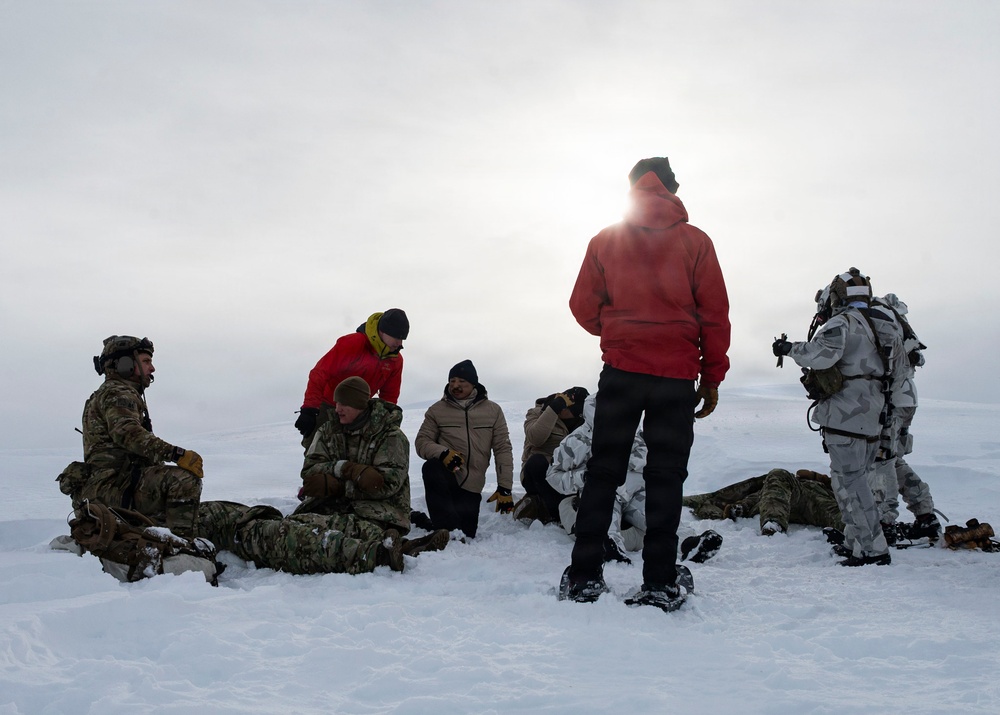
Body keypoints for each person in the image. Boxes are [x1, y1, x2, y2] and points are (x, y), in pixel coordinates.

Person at [558, 156, 731, 612]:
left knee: (603, 473)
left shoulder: (606, 240)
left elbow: (581, 306)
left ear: (632, 188)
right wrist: (711, 376)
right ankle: (658, 581)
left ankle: (584, 577)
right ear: (671, 189)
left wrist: (620, 333)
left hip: (622, 372)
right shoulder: (696, 242)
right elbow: (714, 315)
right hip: (675, 377)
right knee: (665, 477)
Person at [200, 377, 447, 575]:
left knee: (296, 537)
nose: (337, 408)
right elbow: (311, 471)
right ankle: (400, 548)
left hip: (377, 514)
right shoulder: (329, 430)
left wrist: (340, 486)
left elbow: (386, 484)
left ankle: (384, 549)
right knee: (293, 529)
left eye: (344, 404)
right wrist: (346, 470)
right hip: (329, 507)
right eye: (337, 402)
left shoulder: (390, 437)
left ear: (360, 406)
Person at [772, 268, 898, 566]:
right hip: (874, 413)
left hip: (846, 414)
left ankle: (872, 549)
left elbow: (819, 355)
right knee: (856, 481)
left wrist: (789, 349)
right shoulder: (884, 324)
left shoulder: (841, 323)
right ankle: (857, 542)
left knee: (851, 484)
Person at [545, 393, 723, 564]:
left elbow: (646, 455)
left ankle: (689, 544)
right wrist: (584, 477)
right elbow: (553, 475)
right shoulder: (576, 442)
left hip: (635, 488)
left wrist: (627, 462)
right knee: (605, 511)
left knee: (658, 513)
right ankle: (611, 547)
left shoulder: (632, 433)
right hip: (602, 490)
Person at [68, 335, 205, 539]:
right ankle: (182, 548)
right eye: (146, 361)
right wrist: (177, 454)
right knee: (183, 480)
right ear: (125, 364)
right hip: (113, 486)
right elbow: (128, 434)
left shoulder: (110, 393)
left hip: (110, 487)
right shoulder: (117, 393)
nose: (152, 368)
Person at [412, 360, 515, 539]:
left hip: (472, 486)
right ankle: (446, 534)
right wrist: (442, 453)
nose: (456, 386)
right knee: (431, 467)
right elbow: (422, 442)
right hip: (447, 479)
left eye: (462, 382)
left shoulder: (493, 411)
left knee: (467, 533)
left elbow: (502, 448)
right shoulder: (437, 410)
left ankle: (423, 521)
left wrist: (505, 487)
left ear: (473, 384)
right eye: (452, 381)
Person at [870, 294, 940, 544]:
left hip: (892, 400)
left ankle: (884, 523)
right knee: (893, 459)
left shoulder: (877, 319)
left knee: (882, 460)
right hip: (906, 399)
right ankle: (925, 516)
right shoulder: (896, 323)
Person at [294, 308, 409, 444]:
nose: (400, 344)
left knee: (353, 457)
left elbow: (389, 395)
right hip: (328, 407)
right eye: (396, 337)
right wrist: (310, 409)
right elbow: (320, 373)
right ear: (382, 331)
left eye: (402, 339)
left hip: (359, 412)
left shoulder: (395, 360)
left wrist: (385, 419)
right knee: (317, 453)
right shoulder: (352, 343)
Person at [683, 468, 845, 535]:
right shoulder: (789, 484)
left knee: (849, 522)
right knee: (777, 477)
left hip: (823, 500)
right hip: (796, 497)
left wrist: (822, 480)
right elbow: (763, 494)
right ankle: (772, 523)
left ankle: (862, 537)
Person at [511, 386, 589, 524]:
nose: (564, 410)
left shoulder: (584, 424)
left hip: (567, 474)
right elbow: (535, 437)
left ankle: (538, 505)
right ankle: (555, 514)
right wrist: (553, 410)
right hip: (538, 472)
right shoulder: (536, 413)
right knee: (537, 463)